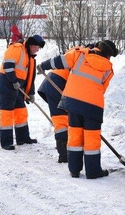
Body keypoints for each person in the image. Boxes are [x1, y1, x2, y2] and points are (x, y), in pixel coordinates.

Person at [38, 40, 117, 179]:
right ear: (108, 55)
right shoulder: (108, 69)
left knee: (75, 135)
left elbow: (59, 61)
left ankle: (74, 170)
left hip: (72, 102)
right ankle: (93, 171)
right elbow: (102, 89)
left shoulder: (79, 55)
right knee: (91, 138)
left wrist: (43, 66)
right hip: (93, 105)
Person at [37, 44, 94, 163]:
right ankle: (64, 154)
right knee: (61, 120)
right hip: (57, 84)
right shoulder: (85, 56)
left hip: (52, 83)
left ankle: (65, 153)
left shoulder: (78, 51)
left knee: (62, 119)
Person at [0, 34, 45, 150]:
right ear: (31, 45)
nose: (38, 50)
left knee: (21, 112)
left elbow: (30, 78)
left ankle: (23, 138)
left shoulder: (30, 57)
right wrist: (14, 81)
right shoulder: (16, 48)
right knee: (7, 115)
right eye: (37, 47)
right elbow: (8, 66)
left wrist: (30, 93)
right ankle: (6, 142)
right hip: (7, 86)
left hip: (18, 89)